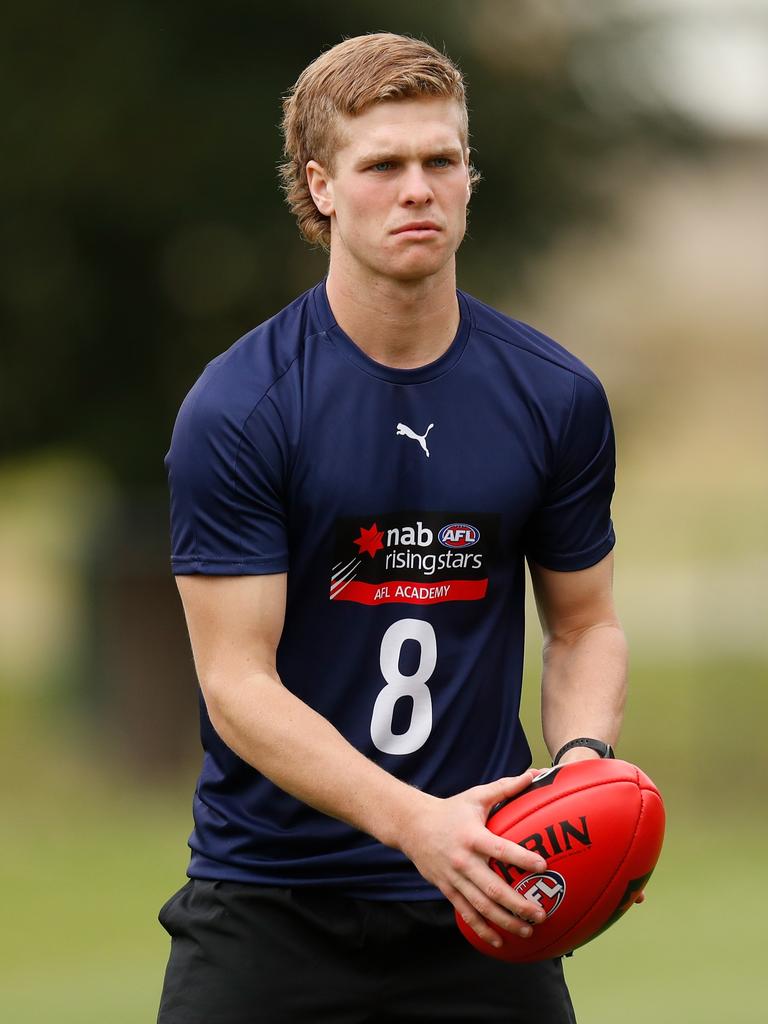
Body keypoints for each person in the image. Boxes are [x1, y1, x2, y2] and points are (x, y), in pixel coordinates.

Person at [157, 31, 629, 1024]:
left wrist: (583, 764)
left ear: (467, 175)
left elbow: (584, 623)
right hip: (272, 907)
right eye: (384, 166)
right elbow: (236, 680)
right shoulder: (243, 406)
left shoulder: (555, 395)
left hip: (489, 898)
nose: (417, 188)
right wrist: (417, 824)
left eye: (440, 160)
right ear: (323, 188)